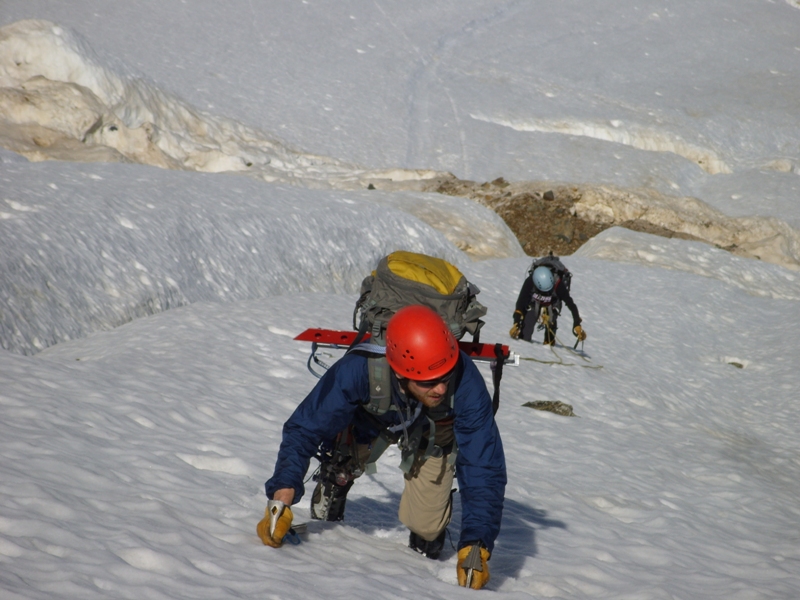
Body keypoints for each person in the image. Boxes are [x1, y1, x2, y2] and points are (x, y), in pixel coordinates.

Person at [258, 305, 506, 590]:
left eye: (445, 377)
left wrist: (476, 544)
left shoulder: (464, 380)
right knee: (343, 448)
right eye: (428, 381)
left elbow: (483, 463)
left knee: (427, 525)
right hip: (372, 418)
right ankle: (336, 477)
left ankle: (428, 529)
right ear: (401, 374)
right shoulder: (358, 369)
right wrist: (282, 496)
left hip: (431, 430)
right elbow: (305, 427)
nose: (440, 388)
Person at [509, 258, 586, 345]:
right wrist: (516, 323)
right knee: (525, 333)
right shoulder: (530, 282)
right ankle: (524, 342)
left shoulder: (558, 284)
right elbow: (520, 303)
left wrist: (577, 324)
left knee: (551, 322)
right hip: (534, 303)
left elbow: (571, 305)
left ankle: (549, 342)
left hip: (552, 305)